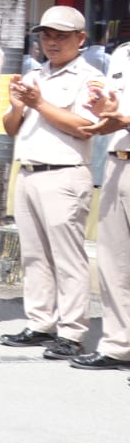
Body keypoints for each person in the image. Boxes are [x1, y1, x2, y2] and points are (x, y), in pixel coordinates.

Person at [0, 6, 99, 361]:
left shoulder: (89, 78)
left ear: (80, 39)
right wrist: (16, 107)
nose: (52, 42)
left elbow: (85, 126)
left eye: (61, 36)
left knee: (67, 258)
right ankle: (41, 322)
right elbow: (11, 128)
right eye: (46, 35)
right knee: (34, 255)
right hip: (28, 172)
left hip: (64, 173)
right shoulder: (35, 74)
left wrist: (38, 103)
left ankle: (72, 331)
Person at [78, 24, 130, 371]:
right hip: (118, 162)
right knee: (114, 261)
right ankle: (117, 345)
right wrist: (103, 120)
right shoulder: (122, 53)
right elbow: (116, 113)